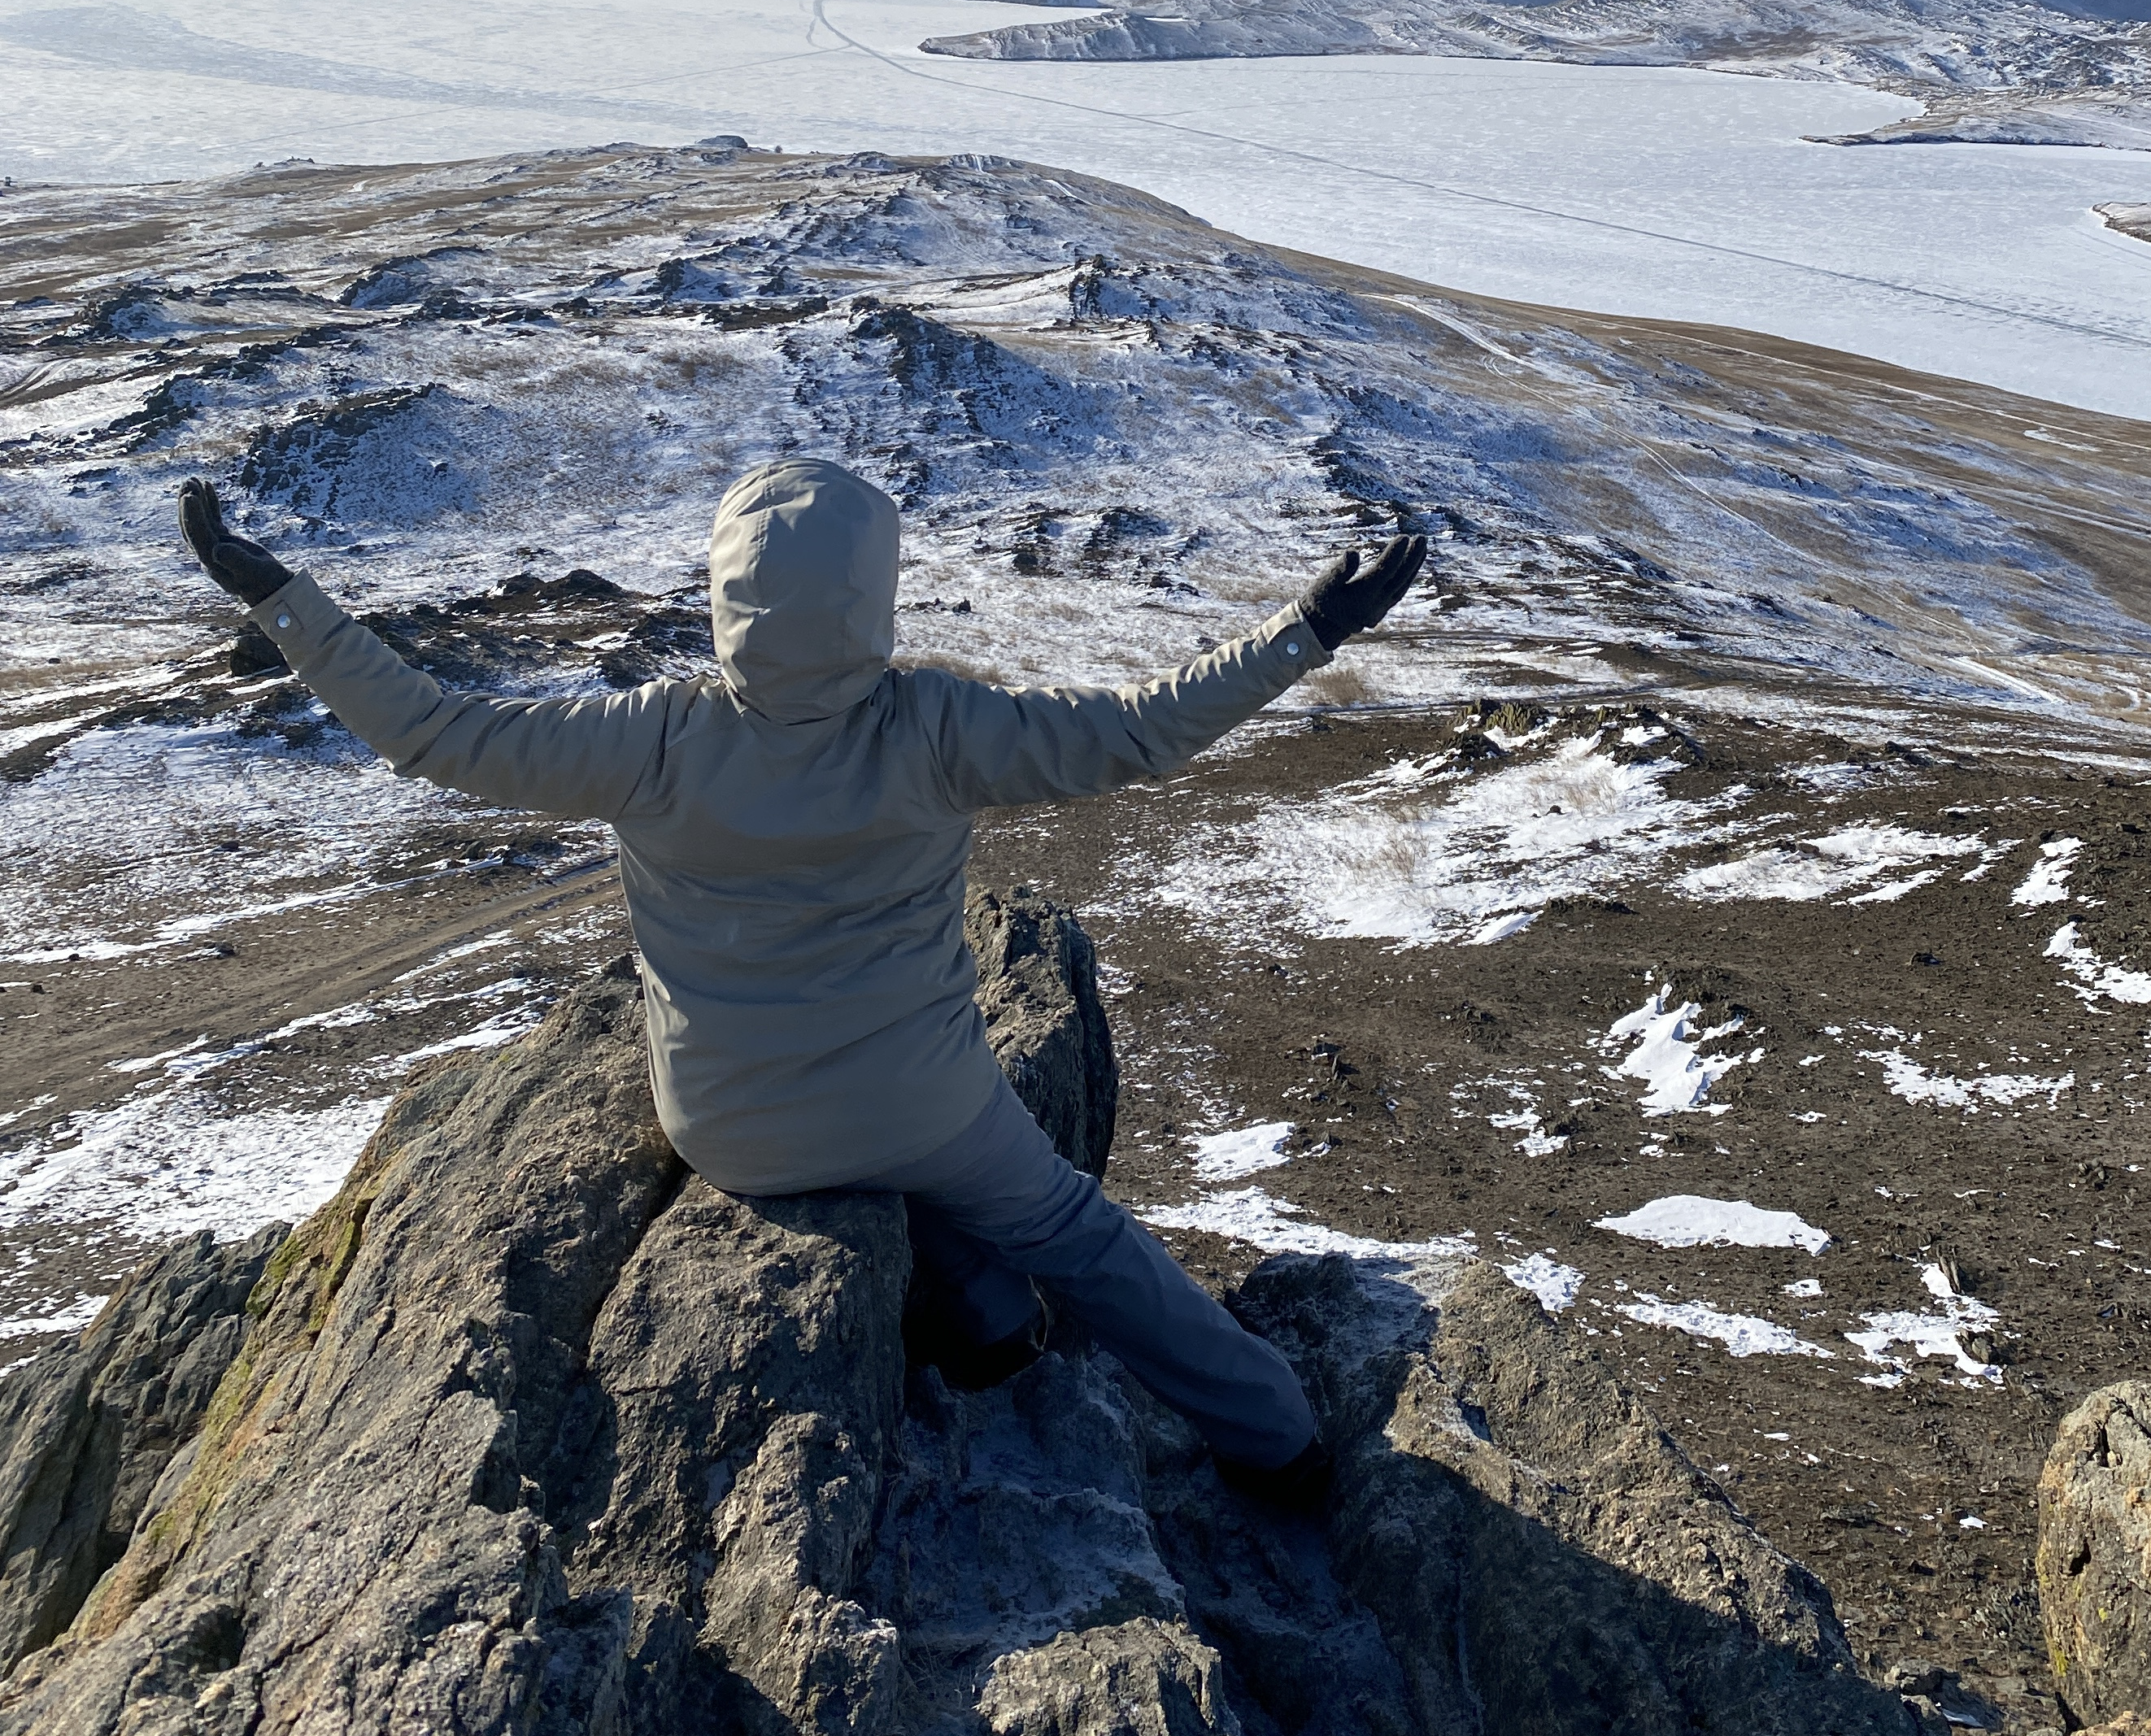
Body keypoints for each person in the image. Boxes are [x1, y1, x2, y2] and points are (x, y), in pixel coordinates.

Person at [176, 459, 1425, 1511]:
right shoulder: (936, 725)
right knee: (1076, 1236)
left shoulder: (649, 736)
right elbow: (1142, 726)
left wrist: (288, 601)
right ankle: (1279, 1442)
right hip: (929, 1106)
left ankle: (981, 1312)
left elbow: (434, 732)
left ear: (728, 595)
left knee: (876, 1177)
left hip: (732, 1129)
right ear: (869, 595)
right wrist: (1306, 631)